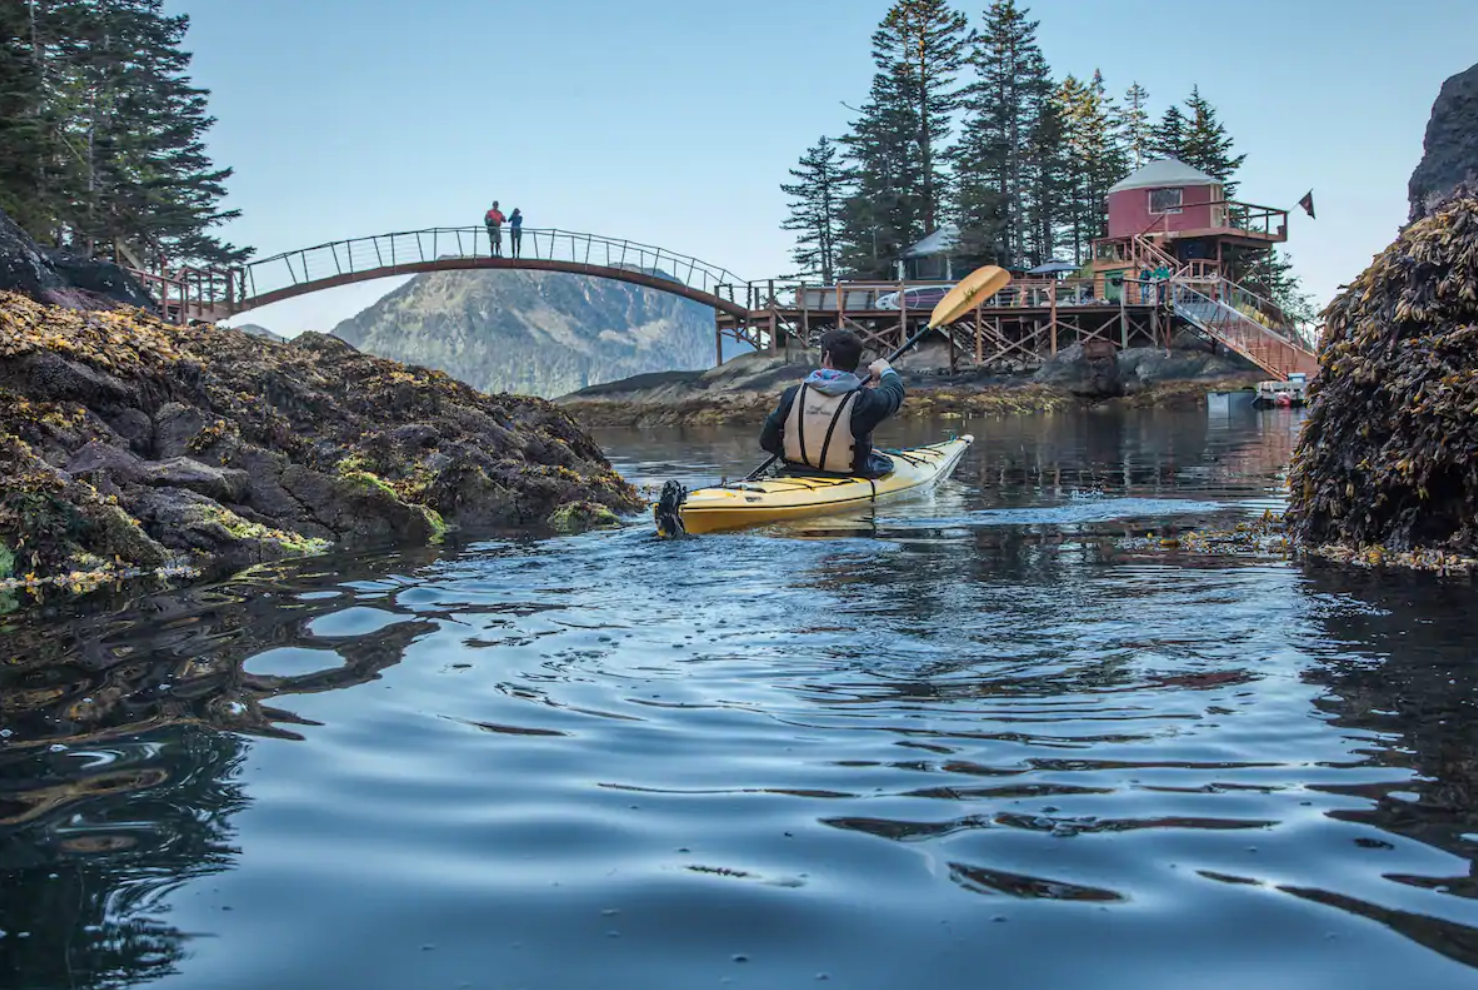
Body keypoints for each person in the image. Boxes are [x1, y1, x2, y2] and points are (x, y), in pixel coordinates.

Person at [759, 329, 905, 479]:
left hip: (795, 472)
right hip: (849, 476)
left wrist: (793, 453)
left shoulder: (792, 394)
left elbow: (767, 441)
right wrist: (885, 370)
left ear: (826, 357)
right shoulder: (864, 400)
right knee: (883, 463)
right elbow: (894, 393)